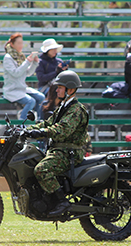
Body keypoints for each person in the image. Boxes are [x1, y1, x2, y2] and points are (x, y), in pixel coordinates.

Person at [25, 71, 88, 217]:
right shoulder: (63, 107)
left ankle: (62, 201)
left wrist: (40, 132)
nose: (57, 90)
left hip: (68, 152)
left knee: (42, 169)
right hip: (58, 150)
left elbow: (63, 130)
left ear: (70, 89)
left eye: (60, 87)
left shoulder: (76, 109)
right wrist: (26, 130)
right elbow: (47, 123)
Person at [2, 33, 44, 120]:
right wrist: (28, 61)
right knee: (31, 101)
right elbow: (16, 73)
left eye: (22, 43)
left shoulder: (20, 56)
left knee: (41, 97)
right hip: (12, 90)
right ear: (12, 44)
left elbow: (28, 73)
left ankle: (35, 120)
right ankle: (21, 124)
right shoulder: (8, 58)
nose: (21, 45)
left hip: (22, 88)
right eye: (19, 43)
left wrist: (35, 63)